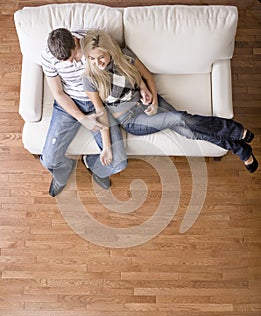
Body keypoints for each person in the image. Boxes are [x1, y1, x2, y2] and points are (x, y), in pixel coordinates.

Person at [82, 29, 258, 174]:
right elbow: (101, 113)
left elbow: (147, 76)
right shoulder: (89, 79)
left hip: (147, 103)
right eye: (92, 59)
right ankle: (236, 131)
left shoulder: (125, 57)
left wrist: (154, 101)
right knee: (180, 118)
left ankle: (241, 149)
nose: (98, 63)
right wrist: (106, 147)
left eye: (101, 57)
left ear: (110, 52)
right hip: (133, 120)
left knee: (189, 132)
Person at [40, 28, 127, 197]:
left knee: (119, 163)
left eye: (74, 57)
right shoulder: (48, 55)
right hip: (69, 103)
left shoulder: (93, 43)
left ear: (74, 40)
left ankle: (94, 165)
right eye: (66, 61)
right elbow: (58, 93)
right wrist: (82, 118)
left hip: (98, 101)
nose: (72, 63)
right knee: (49, 160)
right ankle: (64, 171)